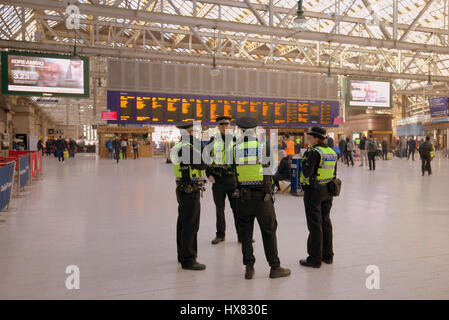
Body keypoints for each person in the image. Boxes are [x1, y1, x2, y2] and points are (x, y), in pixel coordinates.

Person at [233, 117, 290, 279]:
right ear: (255, 131)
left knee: (246, 234)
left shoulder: (234, 149)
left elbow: (234, 172)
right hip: (262, 198)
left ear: (240, 131)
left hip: (243, 198)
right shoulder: (263, 148)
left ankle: (249, 268)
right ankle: (275, 267)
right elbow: (271, 170)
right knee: (269, 231)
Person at [299, 127, 337, 268]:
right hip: (328, 190)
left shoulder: (314, 153)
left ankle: (314, 259)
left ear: (316, 138)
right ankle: (328, 256)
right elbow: (334, 172)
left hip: (314, 192)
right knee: (325, 221)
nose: (309, 140)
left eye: (310, 138)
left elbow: (307, 173)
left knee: (315, 224)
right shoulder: (332, 153)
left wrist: (303, 163)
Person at [171, 122, 207, 270]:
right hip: (190, 190)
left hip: (183, 188)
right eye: (192, 132)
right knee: (191, 225)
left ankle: (182, 254)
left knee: (183, 223)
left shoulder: (178, 147)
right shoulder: (186, 149)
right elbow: (203, 164)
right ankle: (189, 259)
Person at [206, 116, 240, 245]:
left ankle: (241, 235)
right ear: (218, 126)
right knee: (219, 210)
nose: (225, 127)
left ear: (230, 126)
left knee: (237, 209)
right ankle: (220, 235)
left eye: (227, 124)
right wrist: (208, 174)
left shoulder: (236, 141)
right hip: (218, 179)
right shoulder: (212, 141)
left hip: (233, 180)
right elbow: (206, 159)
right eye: (222, 125)